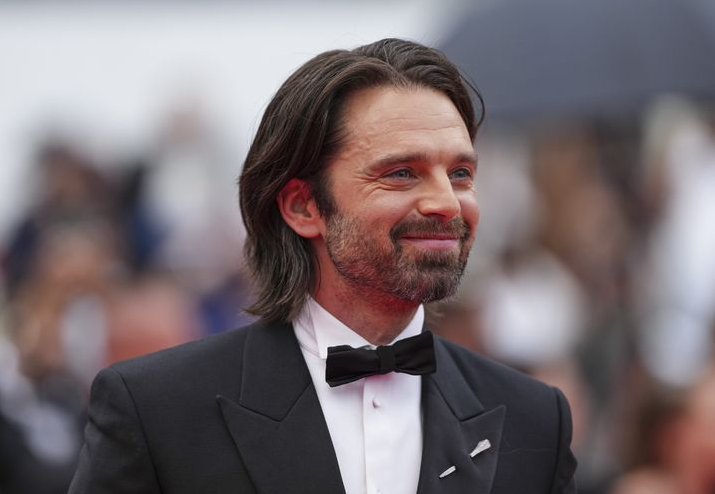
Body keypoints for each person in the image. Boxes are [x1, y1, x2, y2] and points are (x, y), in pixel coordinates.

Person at [68, 38, 577, 494]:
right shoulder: (159, 410)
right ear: (302, 207)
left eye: (461, 173)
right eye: (403, 173)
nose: (447, 202)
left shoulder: (534, 421)